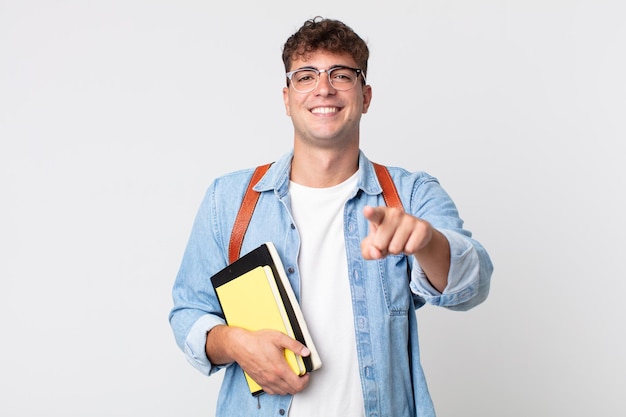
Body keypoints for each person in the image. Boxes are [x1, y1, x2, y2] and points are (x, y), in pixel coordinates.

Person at [169, 16, 493, 417]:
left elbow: (473, 283)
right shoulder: (229, 201)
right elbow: (188, 313)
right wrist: (234, 343)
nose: (324, 88)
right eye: (306, 76)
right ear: (286, 98)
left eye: (341, 75)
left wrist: (427, 242)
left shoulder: (409, 194)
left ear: (366, 95)